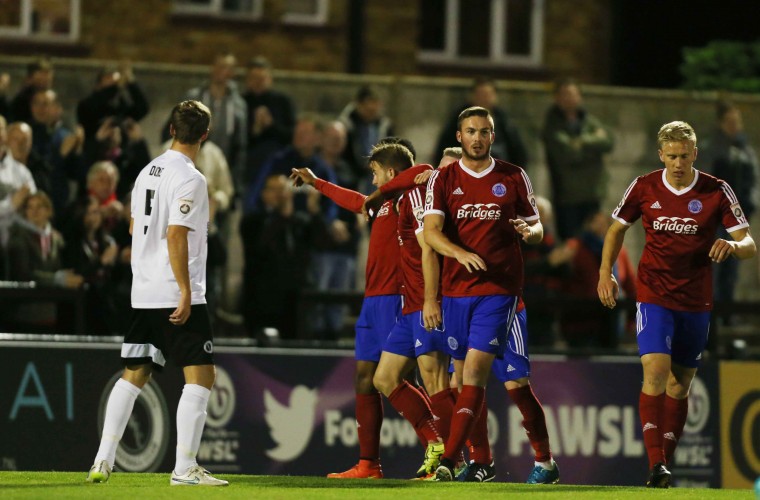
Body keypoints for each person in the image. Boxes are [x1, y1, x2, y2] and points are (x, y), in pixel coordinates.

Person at [597, 121, 756, 488]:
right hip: (654, 294)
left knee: (680, 384)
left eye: (684, 156)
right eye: (671, 156)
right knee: (655, 371)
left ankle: (664, 462)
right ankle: (656, 465)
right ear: (661, 155)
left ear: (695, 153)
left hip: (696, 300)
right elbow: (617, 227)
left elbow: (749, 244)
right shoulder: (644, 186)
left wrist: (732, 246)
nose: (678, 163)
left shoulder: (716, 190)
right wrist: (605, 273)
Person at [86, 100, 228, 486]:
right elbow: (176, 234)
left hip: (142, 290)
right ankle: (184, 468)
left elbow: (135, 228)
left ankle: (102, 460)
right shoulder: (192, 179)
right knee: (200, 377)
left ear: (170, 129)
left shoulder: (145, 172)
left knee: (134, 373)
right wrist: (185, 290)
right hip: (174, 290)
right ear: (205, 134)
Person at [422, 106, 543, 482]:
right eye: (471, 131)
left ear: (493, 136)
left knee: (481, 371)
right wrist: (458, 253)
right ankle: (483, 462)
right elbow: (431, 232)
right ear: (459, 137)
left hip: (500, 288)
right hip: (457, 290)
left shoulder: (513, 176)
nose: (478, 137)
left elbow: (538, 228)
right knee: (460, 382)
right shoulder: (443, 180)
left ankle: (451, 459)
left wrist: (531, 232)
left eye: (485, 131)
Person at [289, 143, 407, 479]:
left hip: (395, 298)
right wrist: (316, 182)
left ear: (392, 173)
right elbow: (356, 202)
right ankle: (369, 464)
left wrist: (392, 186)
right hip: (372, 299)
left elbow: (421, 173)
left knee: (396, 378)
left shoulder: (408, 200)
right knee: (365, 378)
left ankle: (440, 447)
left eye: (375, 173)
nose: (372, 181)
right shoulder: (381, 204)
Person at [700, 101, 759, 309]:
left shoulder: (745, 149)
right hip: (717, 217)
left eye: (737, 121)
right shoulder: (713, 148)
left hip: (738, 218)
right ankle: (712, 312)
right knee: (715, 264)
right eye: (730, 121)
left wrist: (750, 205)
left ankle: (727, 312)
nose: (734, 126)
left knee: (732, 268)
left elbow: (753, 180)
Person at [542, 78, 614, 241]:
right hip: (568, 197)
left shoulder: (589, 121)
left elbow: (608, 142)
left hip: (592, 193)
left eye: (573, 94)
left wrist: (580, 142)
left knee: (594, 242)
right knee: (572, 243)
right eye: (565, 94)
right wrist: (593, 145)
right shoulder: (552, 124)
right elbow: (567, 154)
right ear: (557, 98)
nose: (569, 98)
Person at [560, 210, 636, 349]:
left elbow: (630, 283)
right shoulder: (575, 247)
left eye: (604, 223)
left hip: (612, 318)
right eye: (595, 222)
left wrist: (633, 316)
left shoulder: (619, 251)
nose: (599, 227)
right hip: (582, 319)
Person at [183, 53, 247, 189]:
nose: (221, 71)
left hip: (223, 164)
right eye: (219, 66)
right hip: (195, 161)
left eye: (226, 68)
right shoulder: (195, 97)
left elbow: (240, 143)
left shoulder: (237, 104)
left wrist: (236, 177)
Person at [436, 77, 528, 167]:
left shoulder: (503, 121)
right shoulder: (458, 120)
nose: (484, 99)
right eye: (480, 95)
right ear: (472, 96)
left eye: (488, 95)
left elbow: (518, 152)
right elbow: (444, 150)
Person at [76, 62, 150, 167]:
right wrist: (116, 87)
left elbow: (142, 108)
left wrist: (131, 82)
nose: (114, 83)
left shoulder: (119, 107)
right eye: (108, 79)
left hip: (119, 160)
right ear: (98, 84)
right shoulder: (87, 105)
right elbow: (97, 102)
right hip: (94, 158)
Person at [242, 56, 296, 186]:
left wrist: (270, 125)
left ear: (270, 79)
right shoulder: (241, 102)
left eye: (262, 79)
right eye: (254, 78)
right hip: (249, 158)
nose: (258, 82)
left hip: (278, 157)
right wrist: (254, 130)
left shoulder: (282, 102)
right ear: (248, 80)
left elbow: (291, 135)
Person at [339, 85, 394, 193]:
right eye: (367, 106)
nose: (371, 110)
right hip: (354, 176)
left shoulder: (384, 126)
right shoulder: (349, 126)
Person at [0, 115, 37, 247]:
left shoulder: (22, 172)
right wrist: (12, 204)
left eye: (1, 129)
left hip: (19, 243)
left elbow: (34, 207)